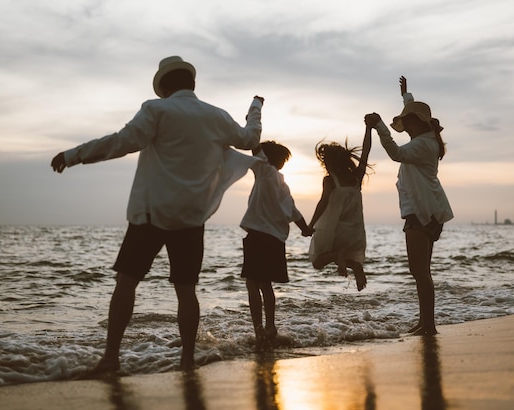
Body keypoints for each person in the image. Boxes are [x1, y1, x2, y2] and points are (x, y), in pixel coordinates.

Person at [50, 55, 264, 372]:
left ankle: (111, 358)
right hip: (191, 217)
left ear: (164, 86)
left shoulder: (157, 109)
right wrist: (256, 108)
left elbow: (123, 142)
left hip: (151, 213)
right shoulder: (216, 116)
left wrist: (74, 155)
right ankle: (188, 359)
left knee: (126, 283)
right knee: (186, 290)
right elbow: (250, 139)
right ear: (192, 83)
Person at [365, 76, 453, 335]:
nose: (405, 126)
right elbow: (413, 110)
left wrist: (381, 126)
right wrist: (406, 96)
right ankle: (426, 321)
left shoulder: (424, 145)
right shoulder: (427, 141)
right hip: (429, 210)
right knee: (421, 271)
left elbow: (396, 154)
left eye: (408, 120)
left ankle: (428, 324)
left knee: (419, 271)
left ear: (417, 123)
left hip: (422, 212)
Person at [240, 141, 314, 351]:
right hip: (275, 240)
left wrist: (255, 113)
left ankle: (258, 330)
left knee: (252, 284)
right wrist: (306, 229)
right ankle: (270, 326)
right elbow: (294, 211)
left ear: (265, 158)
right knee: (266, 285)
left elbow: (254, 146)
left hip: (258, 236)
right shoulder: (283, 184)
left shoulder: (264, 171)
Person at [308, 127, 372, 291]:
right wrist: (369, 129)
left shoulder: (330, 180)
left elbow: (323, 202)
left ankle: (340, 257)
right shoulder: (356, 177)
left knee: (318, 261)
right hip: (354, 229)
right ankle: (355, 266)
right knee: (344, 255)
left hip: (334, 228)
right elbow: (365, 152)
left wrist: (311, 224)